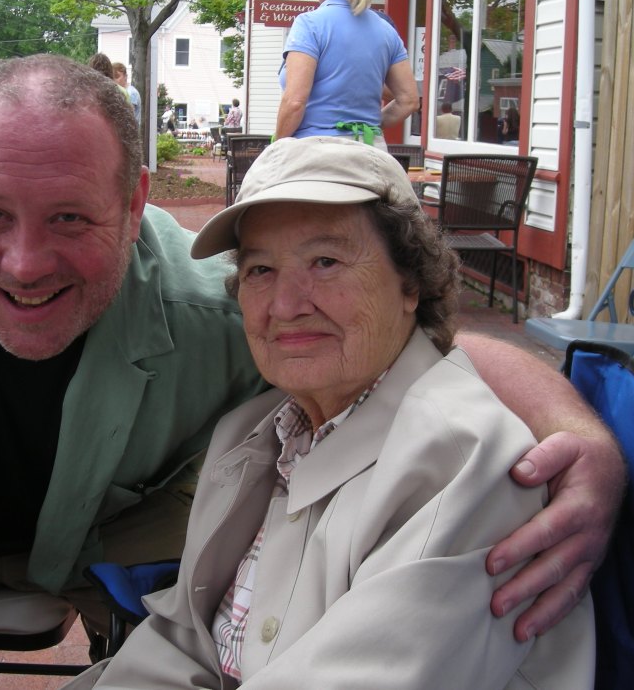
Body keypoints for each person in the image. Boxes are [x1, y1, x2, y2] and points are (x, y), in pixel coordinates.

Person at [0, 54, 622, 689]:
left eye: (71, 218)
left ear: (134, 203)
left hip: (108, 530)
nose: (26, 264)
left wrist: (578, 435)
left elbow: (422, 350)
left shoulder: (225, 310)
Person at [68, 137, 594, 688]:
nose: (286, 305)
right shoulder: (252, 433)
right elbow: (184, 639)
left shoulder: (464, 464)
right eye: (260, 270)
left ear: (411, 282)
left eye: (326, 262)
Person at [274, 0, 419, 148]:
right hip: (371, 149)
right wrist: (366, 126)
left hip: (315, 150)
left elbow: (295, 102)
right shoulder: (386, 30)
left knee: (259, 171)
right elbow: (409, 100)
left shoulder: (309, 24)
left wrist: (276, 146)